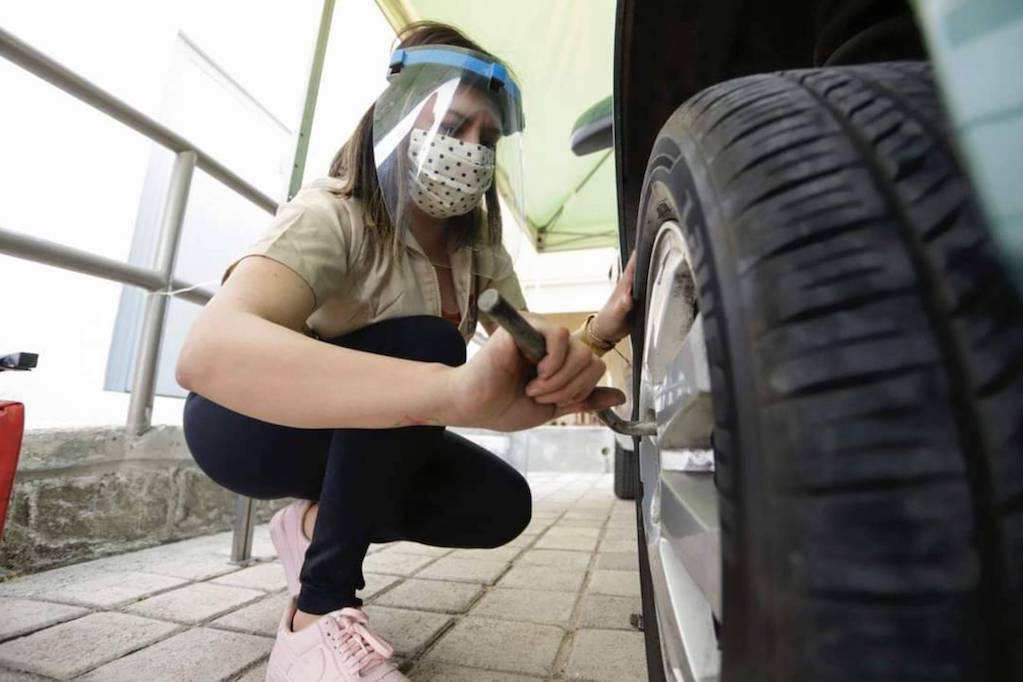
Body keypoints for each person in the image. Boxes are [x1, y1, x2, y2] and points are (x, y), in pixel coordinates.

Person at [176, 21, 636, 682]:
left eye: (487, 138)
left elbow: (525, 357)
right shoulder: (332, 213)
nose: (470, 149)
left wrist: (599, 334)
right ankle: (315, 618)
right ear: (393, 117)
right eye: (452, 126)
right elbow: (208, 352)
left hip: (352, 442)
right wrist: (451, 393)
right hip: (245, 425)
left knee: (499, 504)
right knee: (428, 343)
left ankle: (312, 528)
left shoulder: (480, 254)